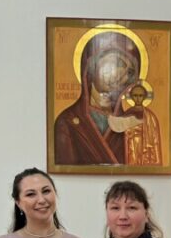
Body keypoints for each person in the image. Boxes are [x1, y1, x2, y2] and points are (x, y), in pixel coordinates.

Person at [54, 30, 141, 166]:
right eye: (118, 64)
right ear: (91, 65)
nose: (123, 77)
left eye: (130, 72)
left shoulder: (130, 124)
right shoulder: (67, 122)